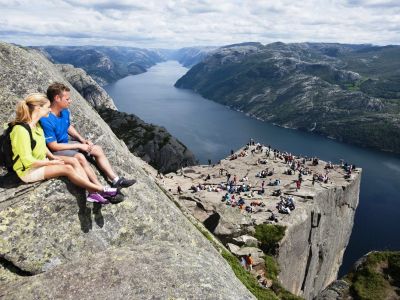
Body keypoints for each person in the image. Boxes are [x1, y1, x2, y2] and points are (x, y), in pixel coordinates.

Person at [10, 93, 117, 204]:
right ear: (38, 108)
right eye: (47, 107)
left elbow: (42, 145)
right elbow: (27, 161)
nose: (50, 110)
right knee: (67, 169)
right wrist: (50, 163)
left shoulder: (36, 125)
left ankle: (92, 193)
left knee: (75, 160)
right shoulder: (20, 130)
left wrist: (51, 157)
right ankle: (100, 190)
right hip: (29, 171)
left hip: (42, 161)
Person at [40, 82, 135, 189]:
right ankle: (100, 189)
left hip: (66, 144)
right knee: (80, 157)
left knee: (97, 149)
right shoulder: (46, 119)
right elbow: (54, 146)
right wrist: (79, 146)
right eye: (67, 99)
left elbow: (67, 126)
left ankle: (116, 180)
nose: (70, 101)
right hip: (56, 150)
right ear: (57, 98)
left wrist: (82, 140)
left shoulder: (64, 111)